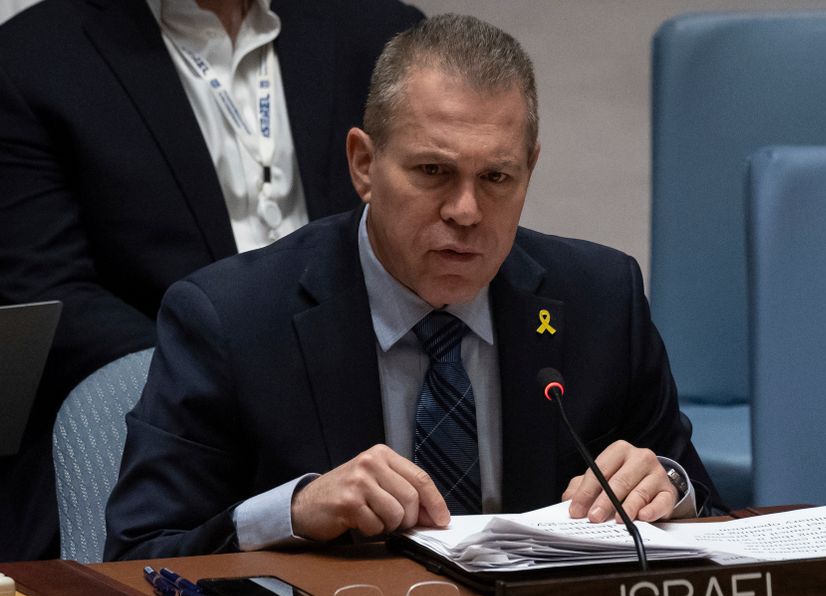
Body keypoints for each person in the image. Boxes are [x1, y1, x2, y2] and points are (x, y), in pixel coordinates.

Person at [104, 13, 721, 560]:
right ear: (364, 164)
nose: (466, 210)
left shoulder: (600, 300)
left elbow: (711, 517)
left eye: (497, 177)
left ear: (529, 168)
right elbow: (138, 552)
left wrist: (668, 485)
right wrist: (291, 513)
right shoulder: (231, 318)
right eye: (433, 171)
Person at [0, 0, 423, 561]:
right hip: (169, 424)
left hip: (367, 412)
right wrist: (240, 379)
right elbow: (52, 295)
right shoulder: (32, 58)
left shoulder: (380, 32)